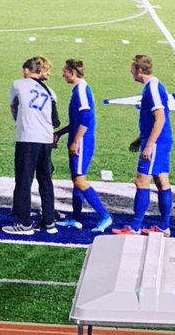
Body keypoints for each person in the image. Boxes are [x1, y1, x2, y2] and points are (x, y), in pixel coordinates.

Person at [115, 54, 174, 235]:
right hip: (161, 140)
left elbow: (160, 118)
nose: (130, 71)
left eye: (132, 68)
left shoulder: (153, 88)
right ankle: (164, 226)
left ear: (139, 70)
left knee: (142, 181)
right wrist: (140, 138)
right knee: (162, 180)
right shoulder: (153, 86)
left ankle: (135, 227)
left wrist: (148, 145)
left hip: (156, 143)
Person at [54, 59, 111, 232]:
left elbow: (86, 118)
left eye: (64, 71)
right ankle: (76, 218)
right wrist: (60, 134)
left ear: (72, 72)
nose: (63, 74)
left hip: (83, 141)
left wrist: (76, 140)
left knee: (80, 179)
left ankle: (105, 216)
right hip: (79, 138)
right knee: (76, 180)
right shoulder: (79, 89)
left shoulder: (81, 91)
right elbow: (76, 121)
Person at [3, 57, 57, 235]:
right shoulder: (50, 91)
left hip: (27, 138)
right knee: (45, 181)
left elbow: (14, 108)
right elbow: (55, 120)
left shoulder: (18, 84)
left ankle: (24, 223)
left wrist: (21, 122)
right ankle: (49, 221)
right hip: (46, 139)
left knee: (24, 181)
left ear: (27, 70)